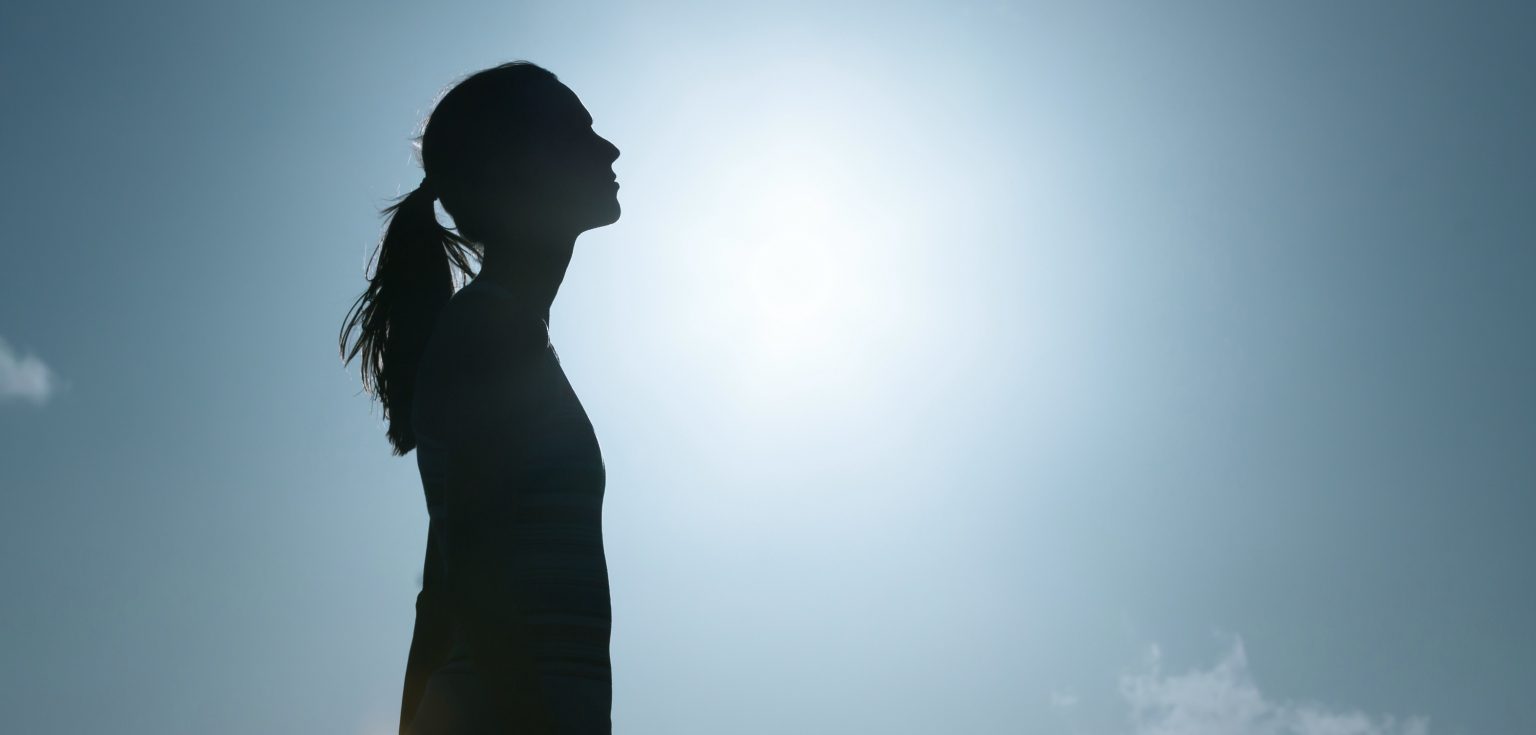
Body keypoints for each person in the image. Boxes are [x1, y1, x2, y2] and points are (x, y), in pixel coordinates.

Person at [339, 60, 622, 735]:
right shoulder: (488, 336)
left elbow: (441, 590)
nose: (608, 148)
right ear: (522, 165)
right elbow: (470, 578)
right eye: (578, 131)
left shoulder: (500, 334)